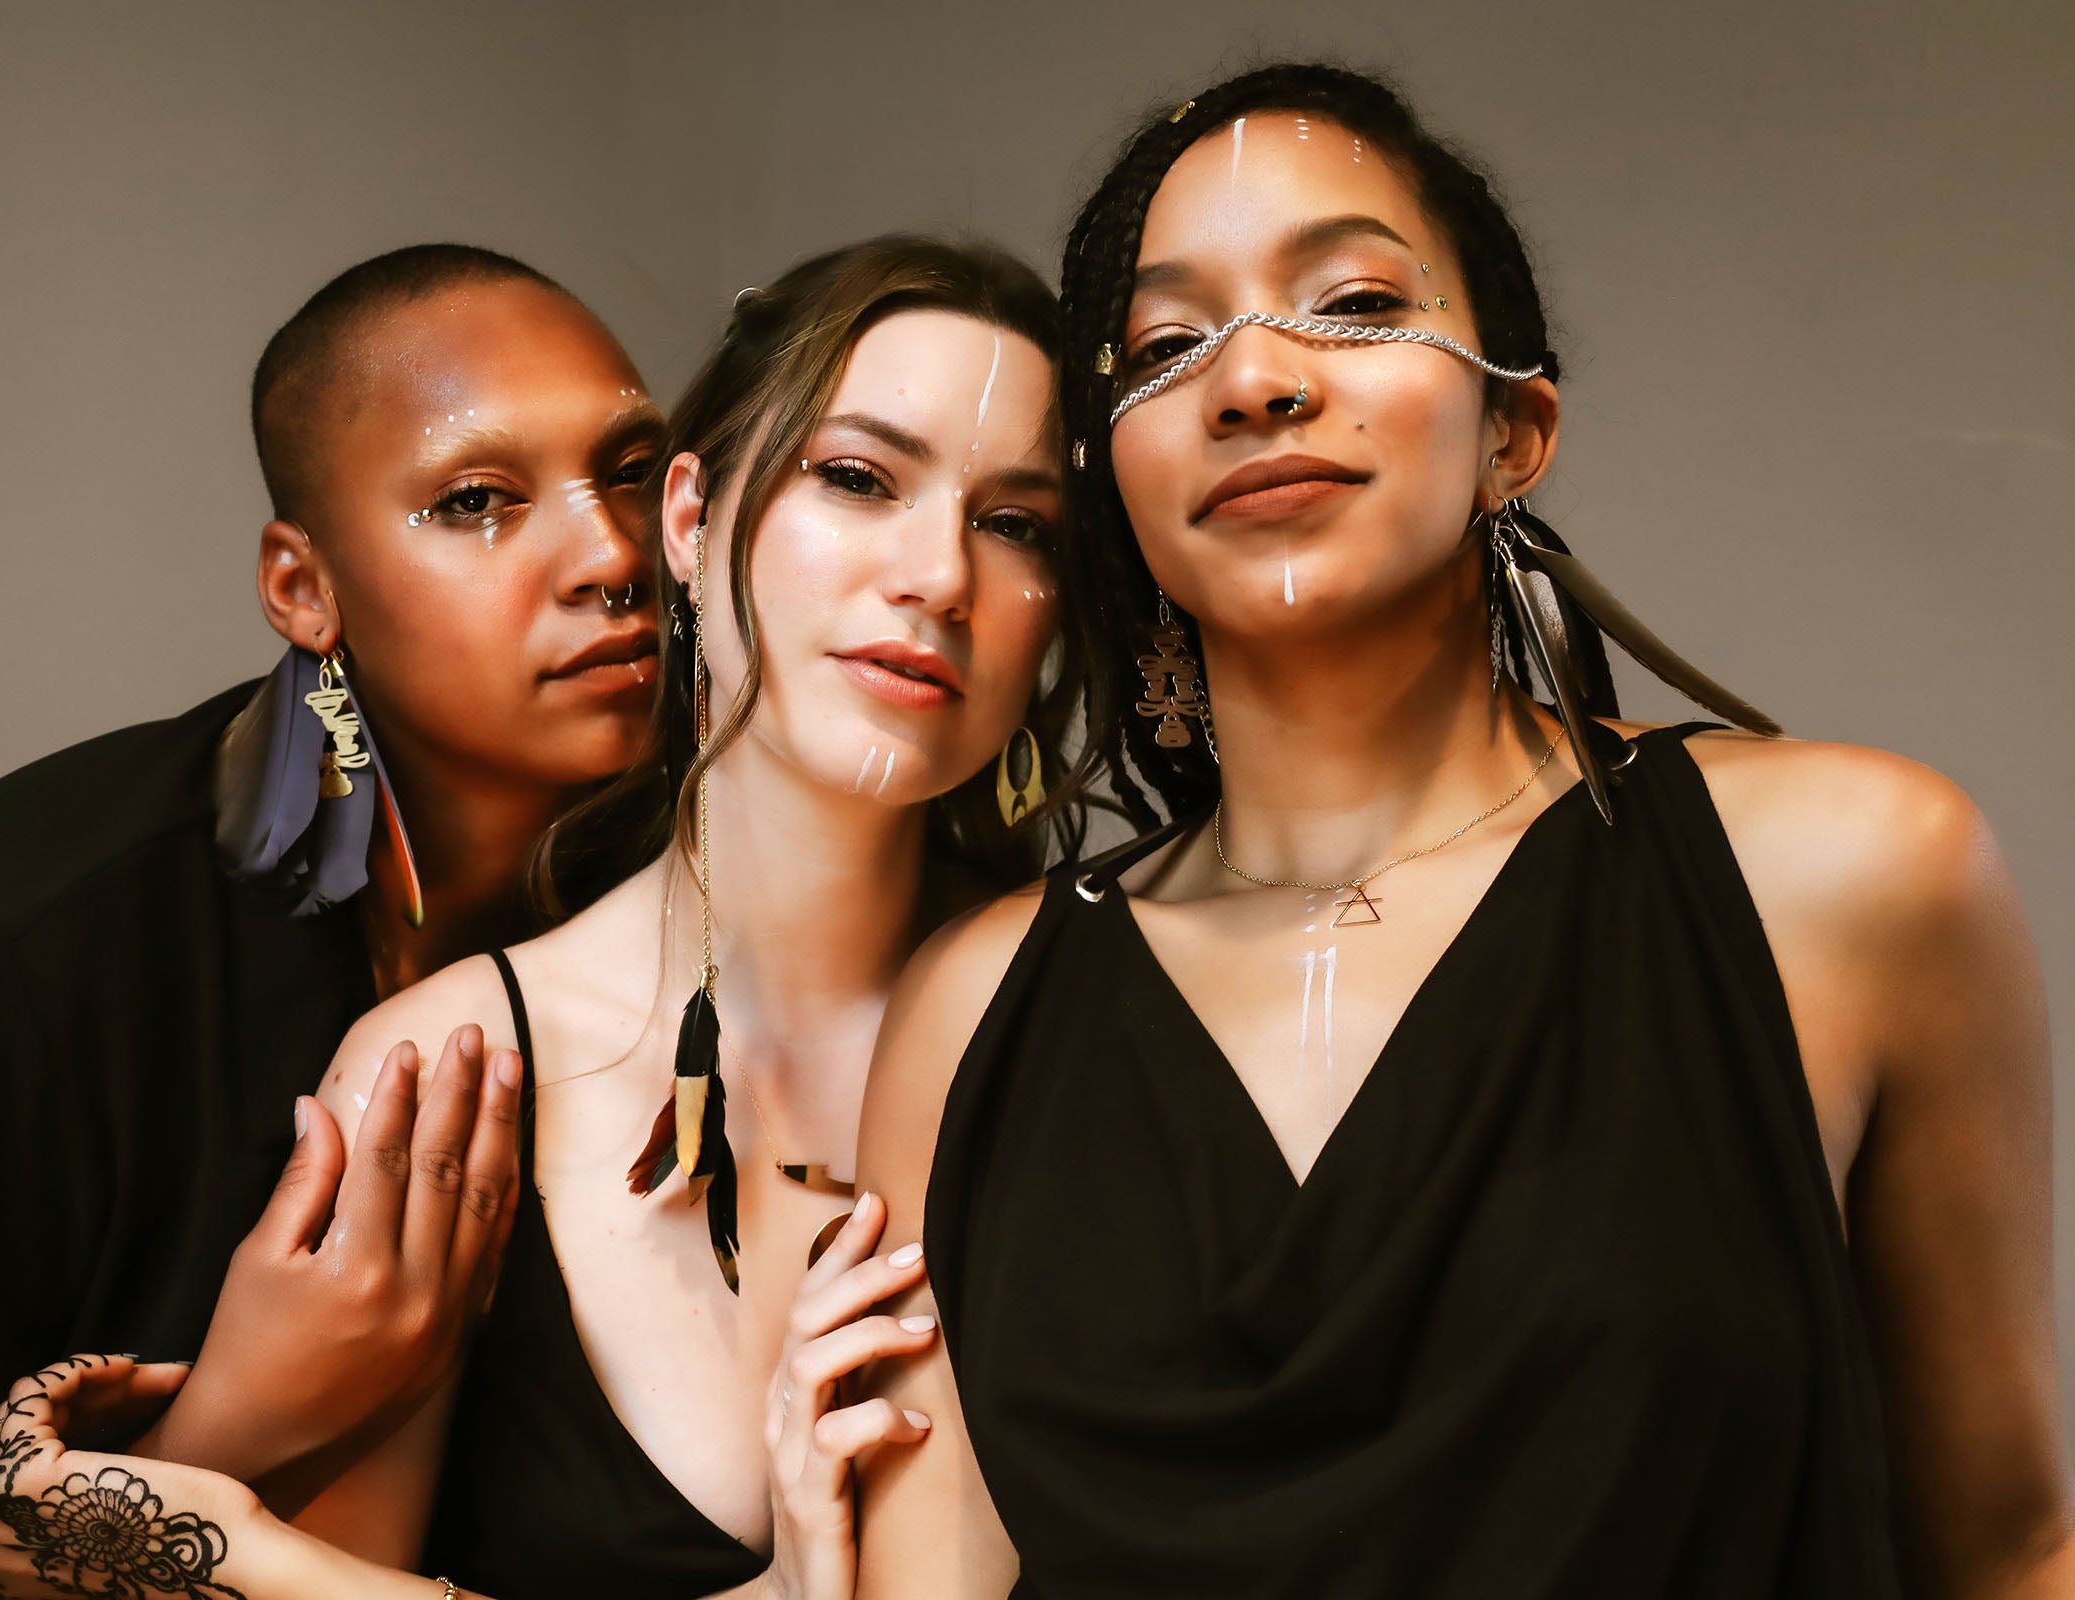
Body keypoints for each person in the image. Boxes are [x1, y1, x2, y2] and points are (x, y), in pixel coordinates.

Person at [850, 64, 2066, 1598]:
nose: (1256, 378)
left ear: (1515, 430)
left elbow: (2015, 1555)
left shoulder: (1851, 879)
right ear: (1120, 488)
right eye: (1169, 345)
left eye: (1353, 303)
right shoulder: (975, 1016)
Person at [0, 234, 1080, 1600]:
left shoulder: (1098, 1019)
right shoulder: (443, 1068)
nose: (940, 577)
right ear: (688, 520)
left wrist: (260, 1568)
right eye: (856, 478)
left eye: (1016, 524)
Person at [0, 242, 666, 1599]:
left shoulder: (723, 897)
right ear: (301, 589)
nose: (613, 554)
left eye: (629, 471)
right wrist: (226, 1431)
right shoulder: (6, 946)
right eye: (479, 500)